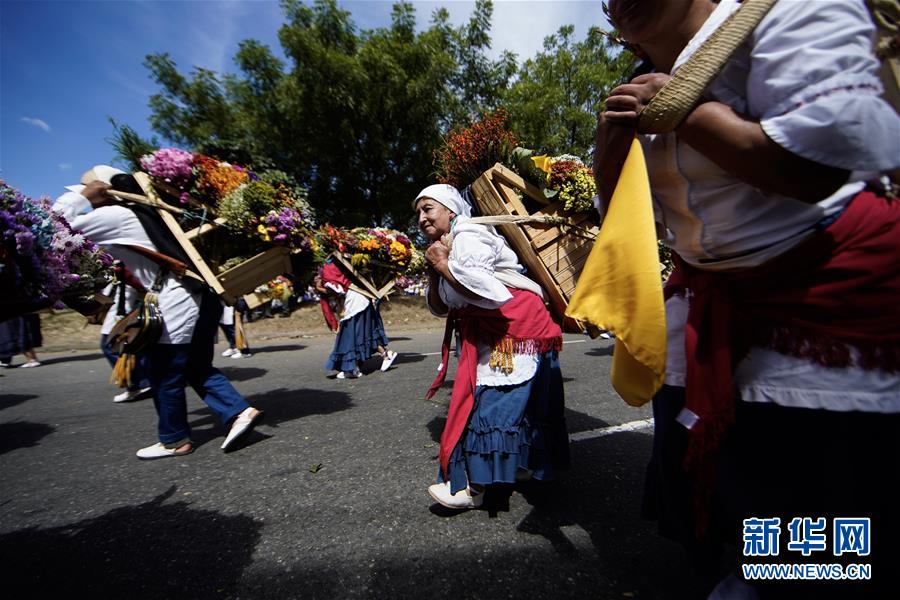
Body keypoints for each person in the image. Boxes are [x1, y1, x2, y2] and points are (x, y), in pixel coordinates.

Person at [598, 1, 900, 597]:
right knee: (739, 496)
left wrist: (687, 112)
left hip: (828, 306)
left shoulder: (787, 12)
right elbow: (624, 222)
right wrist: (610, 144)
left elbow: (818, 163)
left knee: (827, 518)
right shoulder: (638, 86)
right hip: (715, 307)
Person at [54, 167, 263, 459]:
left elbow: (57, 229)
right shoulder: (150, 212)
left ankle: (174, 439)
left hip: (178, 299)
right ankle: (239, 412)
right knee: (194, 366)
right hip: (202, 295)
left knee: (163, 370)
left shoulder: (119, 215)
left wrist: (83, 198)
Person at [414, 184, 570, 510]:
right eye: (418, 212)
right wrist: (434, 274)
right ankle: (521, 464)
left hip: (513, 328)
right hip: (493, 328)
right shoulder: (446, 244)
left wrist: (443, 266)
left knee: (495, 401)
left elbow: (486, 292)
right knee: (507, 400)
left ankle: (473, 487)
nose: (421, 217)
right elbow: (444, 307)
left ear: (451, 211)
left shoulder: (470, 235)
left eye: (428, 208)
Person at [318, 264, 397, 378]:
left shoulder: (329, 269)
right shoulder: (335, 265)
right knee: (363, 333)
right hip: (360, 298)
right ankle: (384, 355)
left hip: (355, 301)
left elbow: (337, 289)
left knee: (350, 335)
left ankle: (353, 368)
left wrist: (320, 288)